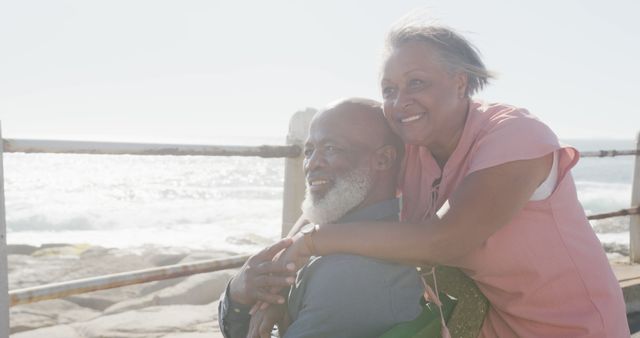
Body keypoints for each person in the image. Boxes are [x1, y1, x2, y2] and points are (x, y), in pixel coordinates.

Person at [274, 22, 630, 337]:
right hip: (486, 324)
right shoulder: (413, 145)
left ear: (460, 83)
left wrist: (313, 243)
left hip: (574, 327)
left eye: (416, 83)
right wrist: (276, 276)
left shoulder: (516, 136)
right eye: (388, 90)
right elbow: (333, 189)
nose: (400, 103)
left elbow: (445, 240)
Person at [218, 98, 424, 338]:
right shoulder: (333, 242)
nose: (311, 163)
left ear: (383, 159)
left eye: (331, 148)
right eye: (309, 151)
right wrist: (238, 293)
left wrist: (241, 300)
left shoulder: (348, 278)